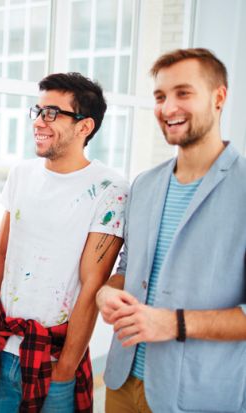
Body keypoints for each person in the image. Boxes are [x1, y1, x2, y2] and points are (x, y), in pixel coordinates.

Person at [0, 73, 129, 413]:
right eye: (37, 111)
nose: (39, 121)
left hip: (53, 359)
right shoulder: (22, 173)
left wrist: (66, 368)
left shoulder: (110, 188)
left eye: (52, 113)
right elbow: (3, 248)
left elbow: (93, 285)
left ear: (84, 126)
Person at [97, 48, 246, 413]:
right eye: (160, 97)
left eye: (183, 93)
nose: (167, 108)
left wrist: (173, 323)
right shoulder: (144, 185)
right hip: (122, 381)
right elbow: (127, 269)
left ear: (219, 97)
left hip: (198, 395)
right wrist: (106, 293)